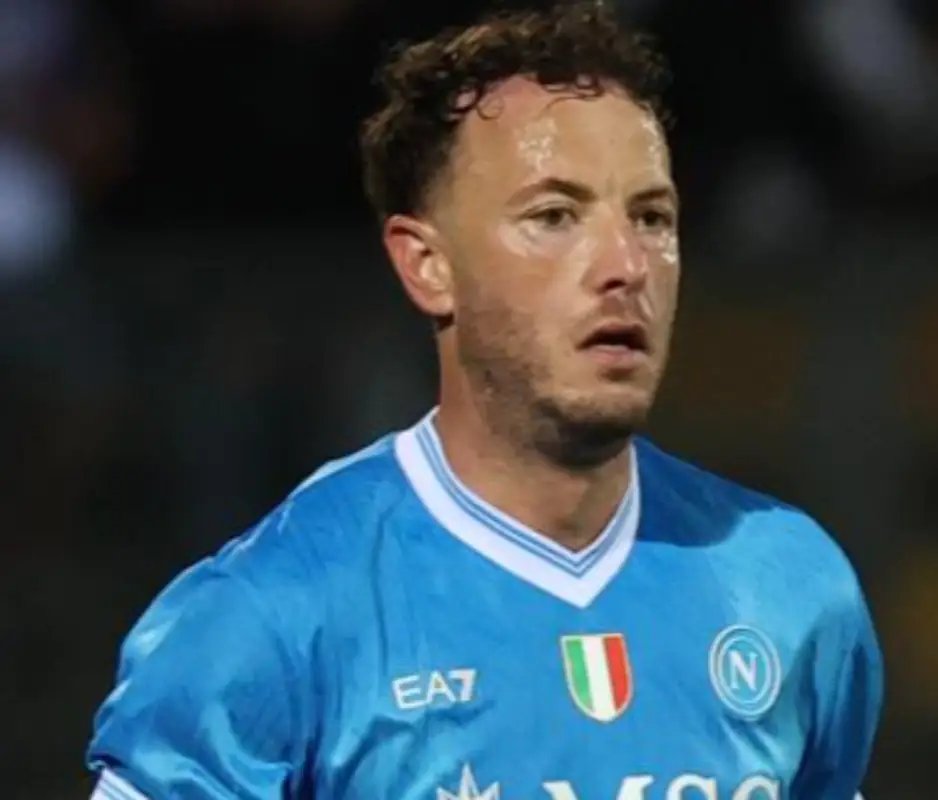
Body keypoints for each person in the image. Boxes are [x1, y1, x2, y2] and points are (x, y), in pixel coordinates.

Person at [85, 2, 884, 799]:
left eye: (651, 216)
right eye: (554, 215)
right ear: (427, 265)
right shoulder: (276, 614)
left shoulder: (788, 583)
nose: (625, 264)